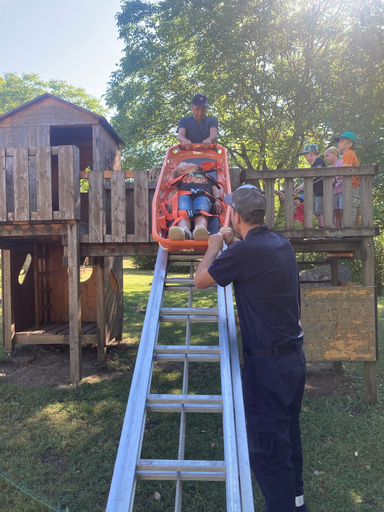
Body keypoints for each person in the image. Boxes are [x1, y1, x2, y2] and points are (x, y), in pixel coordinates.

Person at [195, 185, 307, 512]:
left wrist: (215, 246)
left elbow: (201, 279)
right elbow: (255, 265)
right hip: (293, 362)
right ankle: (297, 503)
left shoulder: (243, 253)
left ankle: (284, 507)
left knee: (268, 452)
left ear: (237, 215)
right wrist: (236, 246)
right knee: (289, 437)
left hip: (267, 369)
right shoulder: (280, 244)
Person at [166, 162, 223, 240]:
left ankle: (200, 230)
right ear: (182, 169)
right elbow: (173, 191)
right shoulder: (182, 177)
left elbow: (214, 188)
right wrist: (170, 201)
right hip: (184, 195)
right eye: (186, 163)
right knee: (183, 212)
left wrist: (218, 200)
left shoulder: (207, 176)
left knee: (201, 211)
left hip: (203, 195)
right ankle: (184, 231)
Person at [294, 143, 326, 228]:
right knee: (316, 211)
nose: (305, 158)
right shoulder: (313, 165)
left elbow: (319, 170)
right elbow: (309, 178)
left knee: (320, 210)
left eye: (305, 156)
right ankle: (321, 226)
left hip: (322, 191)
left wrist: (310, 178)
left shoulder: (319, 161)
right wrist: (300, 187)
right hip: (317, 192)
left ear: (310, 154)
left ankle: (323, 228)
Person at [334, 131, 360, 226]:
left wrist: (337, 176)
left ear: (349, 144)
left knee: (351, 207)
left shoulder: (349, 153)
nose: (339, 143)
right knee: (347, 207)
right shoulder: (344, 155)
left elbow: (344, 170)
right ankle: (347, 228)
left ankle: (349, 229)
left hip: (352, 185)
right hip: (348, 185)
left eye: (341, 141)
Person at [323, 147, 342, 227]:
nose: (326, 158)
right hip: (334, 192)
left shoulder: (341, 163)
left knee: (343, 211)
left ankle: (344, 229)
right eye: (325, 157)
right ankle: (337, 231)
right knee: (337, 212)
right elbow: (330, 182)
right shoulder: (330, 168)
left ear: (335, 154)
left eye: (327, 155)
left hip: (342, 190)